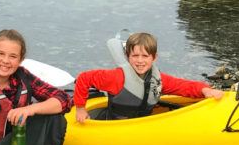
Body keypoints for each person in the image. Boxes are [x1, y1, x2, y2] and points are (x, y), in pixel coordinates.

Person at [73, 32, 225, 123]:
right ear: (128, 57)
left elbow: (182, 86)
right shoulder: (116, 77)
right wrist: (80, 108)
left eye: (145, 56)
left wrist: (205, 90)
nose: (140, 61)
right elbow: (84, 78)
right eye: (135, 56)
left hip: (142, 123)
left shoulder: (157, 79)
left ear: (154, 58)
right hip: (112, 124)